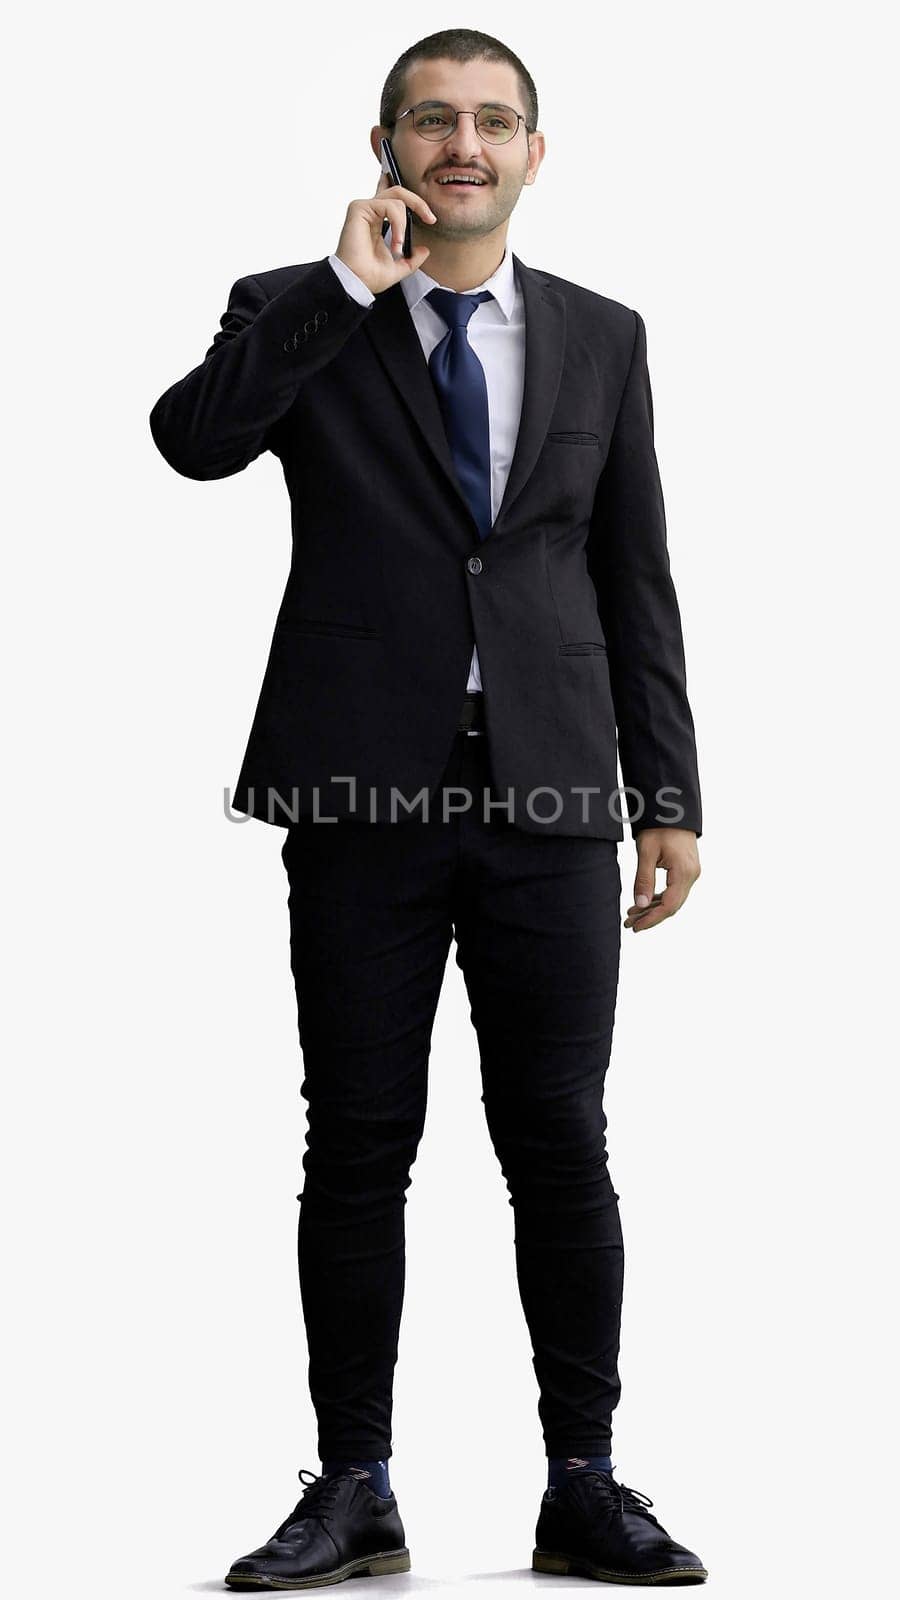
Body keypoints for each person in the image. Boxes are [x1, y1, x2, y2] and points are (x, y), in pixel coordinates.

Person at [149, 26, 707, 1589]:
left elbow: (631, 574)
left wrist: (666, 789)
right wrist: (344, 292)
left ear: (538, 151)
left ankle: (583, 1480)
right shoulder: (299, 310)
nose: (465, 145)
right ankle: (356, 1481)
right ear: (386, 143)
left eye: (494, 122)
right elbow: (192, 444)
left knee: (561, 1142)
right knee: (357, 1146)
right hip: (357, 786)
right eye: (434, 121)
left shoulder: (603, 335)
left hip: (551, 789)